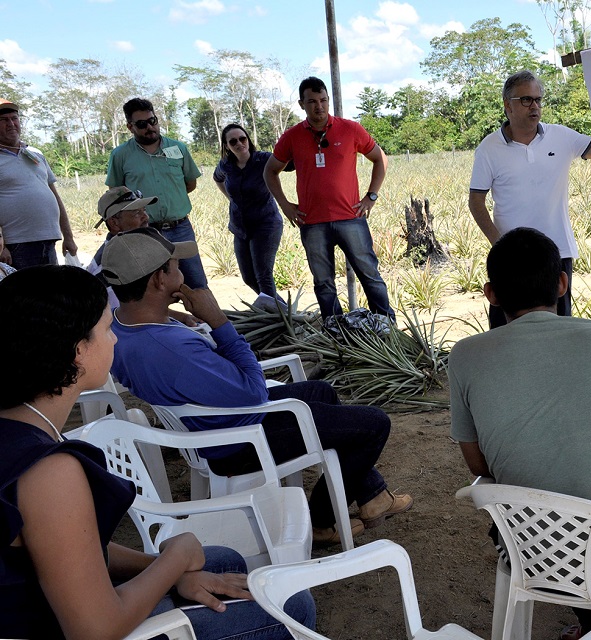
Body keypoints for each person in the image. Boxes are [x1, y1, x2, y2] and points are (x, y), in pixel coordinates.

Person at [0, 264, 315, 639]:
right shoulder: (49, 473)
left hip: (37, 604)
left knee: (220, 561)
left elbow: (64, 548)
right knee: (293, 607)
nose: (115, 339)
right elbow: (95, 630)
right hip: (56, 624)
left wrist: (164, 566)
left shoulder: (17, 429)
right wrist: (175, 559)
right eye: (105, 329)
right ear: (78, 352)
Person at [101, 227, 412, 545]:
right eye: (174, 265)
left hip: (210, 422)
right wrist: (219, 321)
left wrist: (176, 316)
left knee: (321, 392)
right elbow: (254, 392)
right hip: (238, 440)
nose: (181, 268)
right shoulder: (168, 348)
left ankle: (373, 495)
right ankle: (321, 520)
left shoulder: (120, 326)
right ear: (158, 279)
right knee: (374, 425)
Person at [448, 227, 591, 639]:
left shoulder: (465, 356)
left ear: (491, 294)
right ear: (561, 282)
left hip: (527, 552)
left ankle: (589, 623)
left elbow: (477, 463)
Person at [468, 70, 591, 328]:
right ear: (507, 105)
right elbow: (476, 202)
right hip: (510, 257)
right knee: (505, 333)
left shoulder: (561, 136)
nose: (534, 106)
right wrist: (499, 244)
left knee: (556, 330)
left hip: (557, 253)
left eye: (538, 99)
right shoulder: (488, 149)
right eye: (526, 100)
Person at [264, 77, 393, 321]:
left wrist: (371, 196)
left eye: (323, 100)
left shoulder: (351, 129)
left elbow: (380, 159)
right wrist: (285, 205)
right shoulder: (292, 137)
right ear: (302, 104)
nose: (319, 107)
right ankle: (335, 331)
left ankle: (386, 325)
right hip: (312, 222)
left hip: (351, 218)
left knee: (369, 275)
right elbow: (270, 171)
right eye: (312, 101)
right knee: (323, 282)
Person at [106, 97, 208, 289]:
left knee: (197, 284)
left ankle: (206, 320)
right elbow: (116, 194)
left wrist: (171, 199)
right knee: (150, 288)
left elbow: (190, 183)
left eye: (152, 121)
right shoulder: (120, 155)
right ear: (130, 127)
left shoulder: (178, 148)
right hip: (143, 232)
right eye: (142, 124)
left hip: (181, 229)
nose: (150, 127)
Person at [88, 186, 198, 327]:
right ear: (114, 223)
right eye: (136, 213)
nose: (145, 217)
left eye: (144, 211)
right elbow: (128, 316)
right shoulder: (112, 266)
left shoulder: (129, 251)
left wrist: (182, 317)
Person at [0, 99, 78, 268]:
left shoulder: (35, 153)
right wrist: (1, 246)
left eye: (14, 118)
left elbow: (54, 196)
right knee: (24, 293)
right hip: (15, 245)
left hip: (48, 240)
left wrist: (69, 236)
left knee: (50, 292)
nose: (11, 124)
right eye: (3, 120)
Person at [213, 123, 284, 298]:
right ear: (227, 146)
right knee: (248, 277)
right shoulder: (226, 165)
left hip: (266, 225)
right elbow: (217, 178)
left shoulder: (264, 159)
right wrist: (231, 199)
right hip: (240, 228)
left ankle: (279, 321)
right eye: (233, 141)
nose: (239, 143)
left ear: (248, 139)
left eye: (242, 138)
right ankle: (283, 312)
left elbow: (286, 165)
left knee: (263, 277)